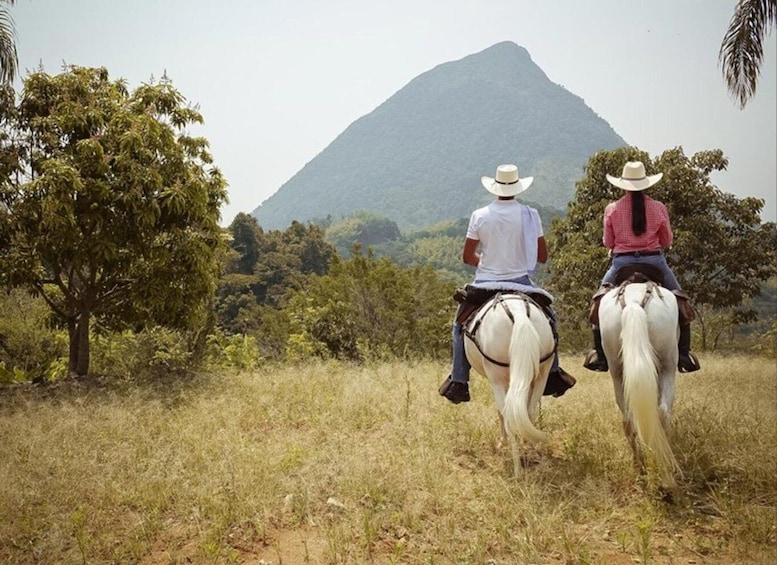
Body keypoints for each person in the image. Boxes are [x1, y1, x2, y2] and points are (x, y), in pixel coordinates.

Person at [438, 164, 576, 404]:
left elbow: (467, 257)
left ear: (495, 188)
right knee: (550, 318)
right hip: (522, 283)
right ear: (517, 187)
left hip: (486, 283)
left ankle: (459, 379)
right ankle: (553, 372)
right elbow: (542, 256)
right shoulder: (530, 215)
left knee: (460, 323)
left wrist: (487, 261)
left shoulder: (479, 215)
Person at [583, 160, 700, 373]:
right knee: (682, 303)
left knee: (598, 305)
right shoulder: (658, 207)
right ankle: (684, 354)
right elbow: (666, 240)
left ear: (623, 185)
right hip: (655, 261)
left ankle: (599, 355)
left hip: (621, 263)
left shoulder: (612, 208)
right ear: (646, 184)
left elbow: (608, 242)